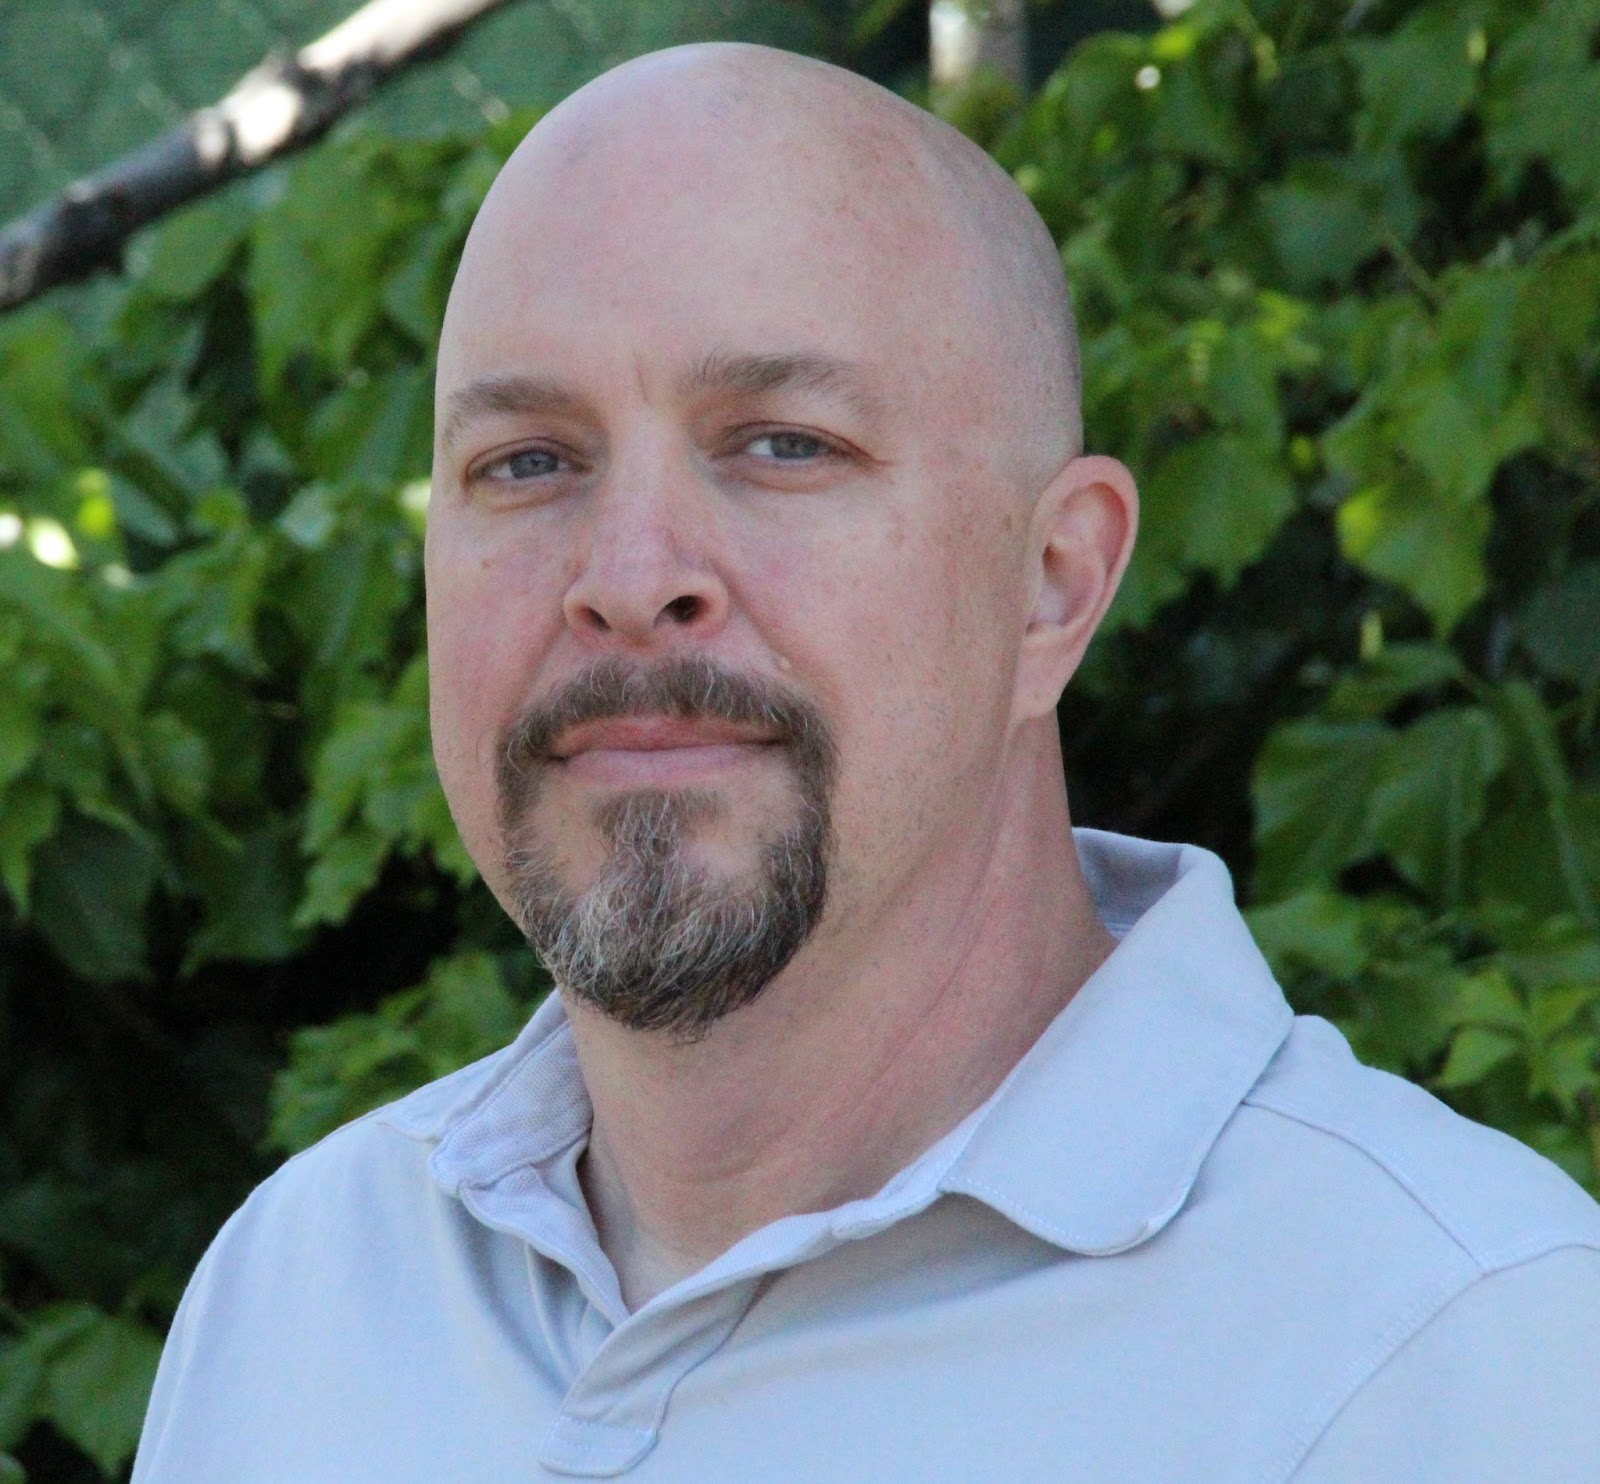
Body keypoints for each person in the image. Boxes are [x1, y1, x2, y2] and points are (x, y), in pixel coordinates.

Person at [133, 42, 1600, 1483]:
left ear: (1053, 584)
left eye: (783, 444)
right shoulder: (302, 1291)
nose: (630, 580)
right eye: (526, 461)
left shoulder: (1446, 1354)